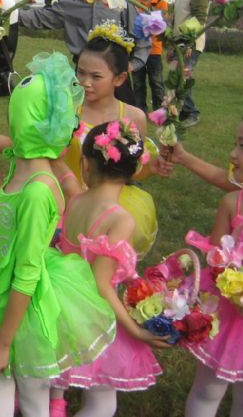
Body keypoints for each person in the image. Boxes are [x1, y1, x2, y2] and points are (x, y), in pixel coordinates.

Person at [0, 52, 116, 417]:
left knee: (29, 398)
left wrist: (2, 344)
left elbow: (27, 269)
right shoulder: (20, 162)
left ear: (27, 122)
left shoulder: (36, 190)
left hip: (23, 303)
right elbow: (7, 145)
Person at [54, 119, 168, 417]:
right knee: (102, 405)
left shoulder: (76, 201)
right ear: (135, 169)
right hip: (93, 316)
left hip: (61, 304)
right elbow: (101, 283)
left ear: (85, 164)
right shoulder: (120, 220)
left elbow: (63, 174)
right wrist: (135, 331)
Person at [62, 25, 158, 258]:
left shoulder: (133, 117)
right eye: (80, 72)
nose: (85, 82)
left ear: (120, 78)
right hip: (68, 199)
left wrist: (152, 167)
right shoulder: (67, 111)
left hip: (112, 204)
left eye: (96, 77)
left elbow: (132, 170)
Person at [18, 0, 149, 105]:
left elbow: (142, 32)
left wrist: (134, 63)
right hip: (84, 78)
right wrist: (9, 14)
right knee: (81, 117)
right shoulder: (71, 2)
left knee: (124, 118)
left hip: (116, 79)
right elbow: (39, 18)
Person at [182, 118, 243, 416]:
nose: (233, 153)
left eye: (242, 146)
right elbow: (214, 258)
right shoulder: (233, 203)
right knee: (208, 389)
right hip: (228, 315)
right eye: (236, 143)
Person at [171, 0, 209, 129]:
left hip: (190, 44)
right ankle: (184, 111)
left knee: (184, 77)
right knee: (177, 77)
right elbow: (176, 22)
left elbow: (200, 20)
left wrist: (189, 44)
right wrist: (172, 46)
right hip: (178, 44)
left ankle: (192, 112)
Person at [132, 0, 168, 113]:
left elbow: (162, 25)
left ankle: (159, 111)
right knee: (138, 83)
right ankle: (141, 111)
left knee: (156, 82)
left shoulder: (161, 4)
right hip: (138, 50)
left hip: (154, 50)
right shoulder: (135, 5)